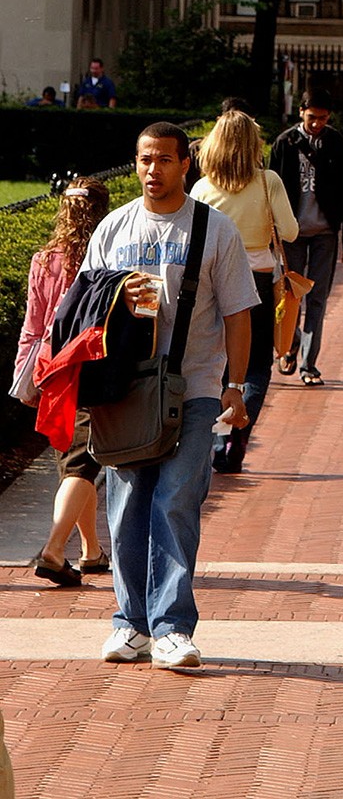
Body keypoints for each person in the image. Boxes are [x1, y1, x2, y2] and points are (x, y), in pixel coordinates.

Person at [85, 123, 257, 669]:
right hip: (125, 390)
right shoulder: (113, 229)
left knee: (176, 500)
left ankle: (172, 628)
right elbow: (82, 310)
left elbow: (238, 312)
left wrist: (235, 384)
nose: (152, 170)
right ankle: (130, 624)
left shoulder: (215, 230)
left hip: (196, 386)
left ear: (188, 164)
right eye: (143, 159)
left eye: (163, 159)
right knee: (129, 503)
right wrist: (116, 294)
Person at [12, 177, 111, 586]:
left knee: (72, 459)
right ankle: (54, 550)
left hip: (51, 366)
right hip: (88, 364)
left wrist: (25, 375)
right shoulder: (105, 258)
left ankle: (90, 551)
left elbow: (32, 326)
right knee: (82, 462)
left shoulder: (43, 259)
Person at [190, 110, 299, 471]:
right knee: (255, 366)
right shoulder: (268, 181)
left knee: (218, 361)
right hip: (257, 278)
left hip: (212, 282)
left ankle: (220, 434)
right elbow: (291, 231)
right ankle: (239, 429)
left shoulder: (202, 188)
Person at [269, 89, 343, 382]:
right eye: (311, 117)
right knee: (292, 296)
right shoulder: (285, 143)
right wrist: (272, 233)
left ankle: (309, 365)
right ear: (301, 113)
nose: (316, 123)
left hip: (325, 232)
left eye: (322, 118)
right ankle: (291, 343)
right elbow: (272, 189)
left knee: (318, 299)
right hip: (292, 232)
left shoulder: (336, 143)